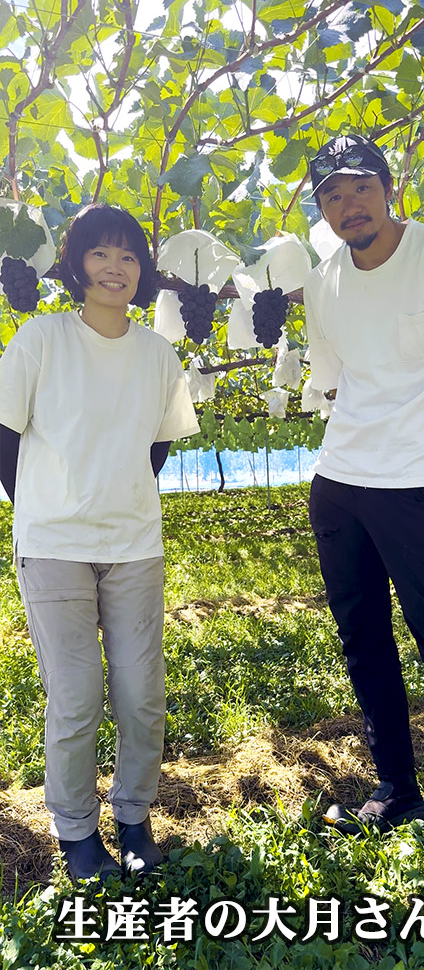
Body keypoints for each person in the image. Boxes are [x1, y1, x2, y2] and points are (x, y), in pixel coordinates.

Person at [301, 135, 424, 935]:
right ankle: (396, 787)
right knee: (362, 640)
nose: (348, 204)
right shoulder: (324, 280)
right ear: (322, 211)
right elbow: (335, 378)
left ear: (391, 187)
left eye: (360, 187)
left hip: (416, 486)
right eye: (331, 195)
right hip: (340, 484)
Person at [0, 205, 199, 881]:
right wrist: (40, 505)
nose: (115, 268)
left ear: (141, 272)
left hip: (134, 544)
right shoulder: (40, 338)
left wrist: (118, 489)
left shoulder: (157, 352)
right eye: (100, 254)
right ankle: (76, 831)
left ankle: (134, 816)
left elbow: (162, 439)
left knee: (143, 692)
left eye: (128, 257)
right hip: (53, 543)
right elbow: (5, 434)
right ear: (77, 265)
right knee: (77, 694)